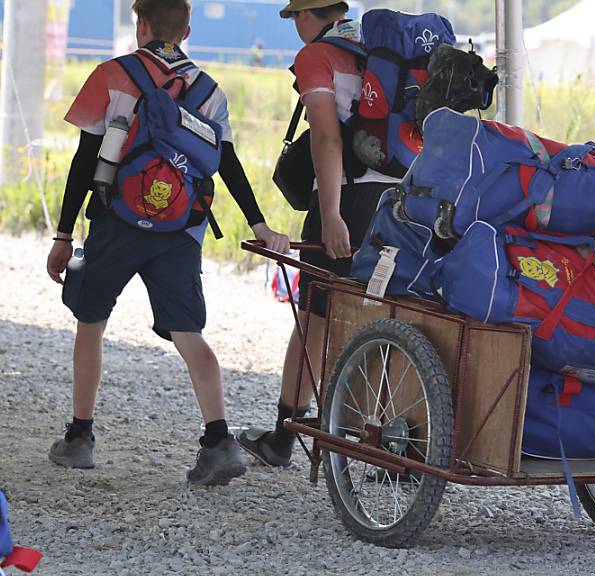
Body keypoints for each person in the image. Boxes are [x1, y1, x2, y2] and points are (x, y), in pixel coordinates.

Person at [45, 0, 290, 485]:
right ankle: (219, 442)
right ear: (188, 30)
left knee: (90, 321)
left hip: (115, 223)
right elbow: (227, 162)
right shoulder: (209, 90)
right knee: (188, 333)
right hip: (180, 228)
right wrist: (259, 223)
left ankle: (79, 438)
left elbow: (84, 161)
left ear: (140, 23)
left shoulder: (111, 75)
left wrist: (63, 233)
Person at [238, 0, 399, 467]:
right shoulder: (383, 50)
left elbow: (326, 138)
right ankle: (395, 440)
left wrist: (330, 213)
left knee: (315, 316)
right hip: (400, 202)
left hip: (348, 197)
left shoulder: (317, 56)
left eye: (293, 19)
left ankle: (288, 437)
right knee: (383, 314)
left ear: (307, 15)